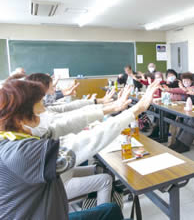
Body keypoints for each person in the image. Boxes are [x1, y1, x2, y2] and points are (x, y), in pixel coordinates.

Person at [0, 79, 159, 220]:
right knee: (110, 210)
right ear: (20, 118)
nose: (44, 111)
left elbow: (64, 125)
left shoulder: (16, 135)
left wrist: (112, 108)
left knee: (108, 205)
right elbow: (84, 143)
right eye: (39, 107)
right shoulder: (18, 153)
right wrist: (134, 111)